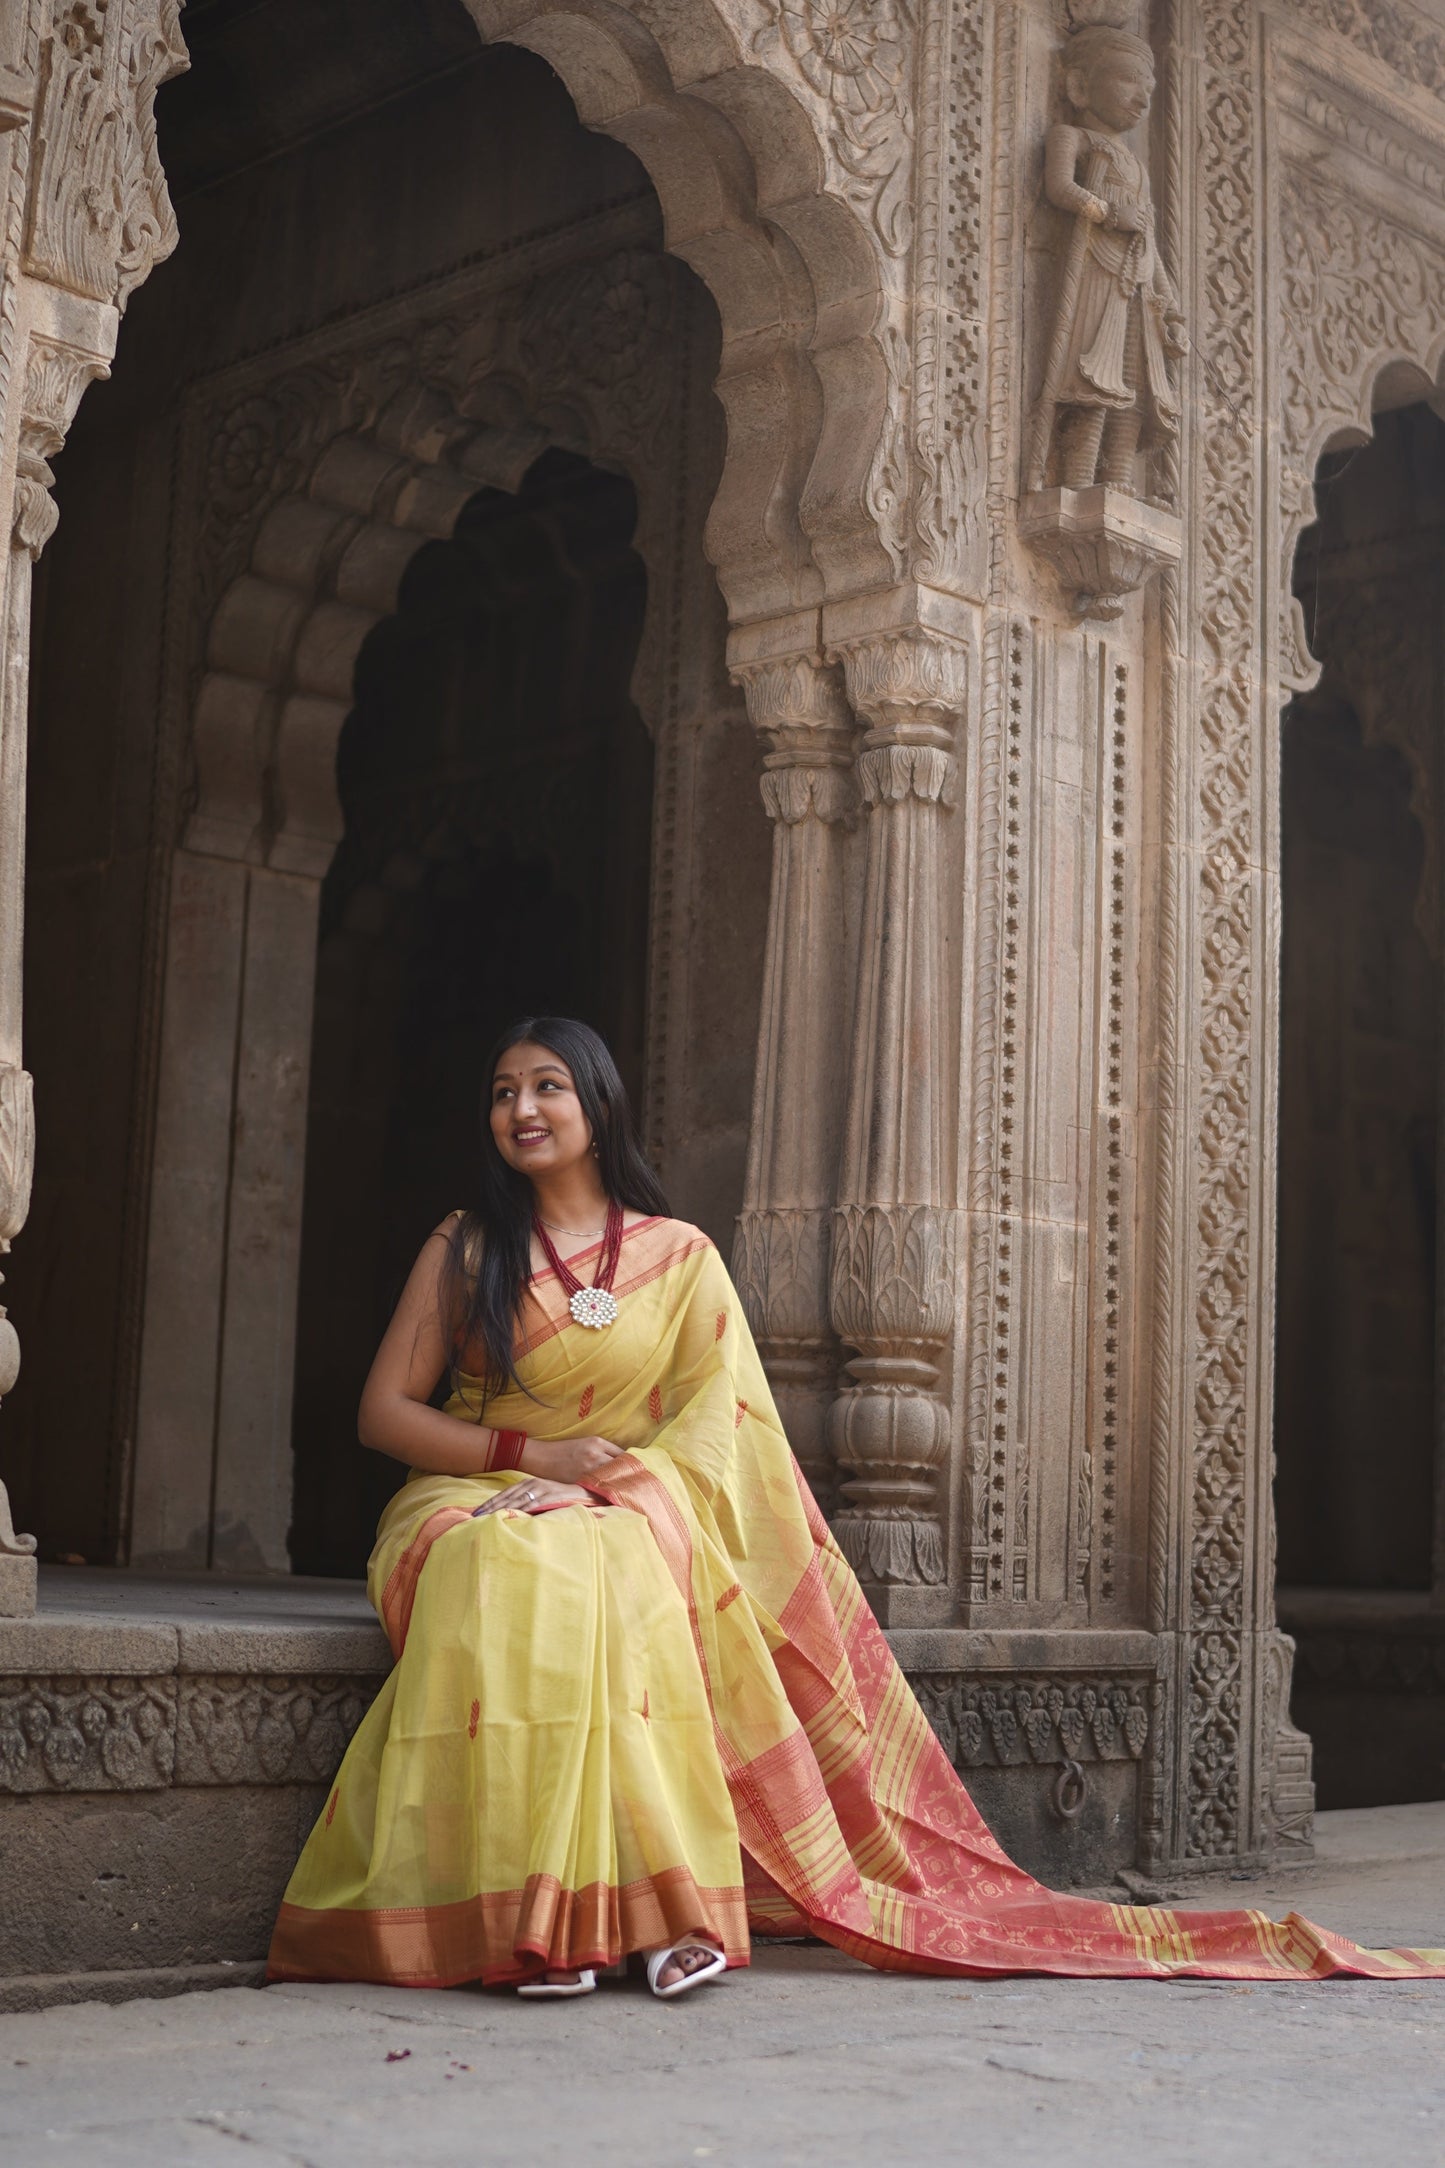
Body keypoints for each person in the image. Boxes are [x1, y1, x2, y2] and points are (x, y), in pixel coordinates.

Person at [268, 1017, 1444, 1998]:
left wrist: (605, 1481)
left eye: (547, 1086)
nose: (521, 1109)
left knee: (612, 1562)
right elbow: (385, 1411)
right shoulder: (466, 1244)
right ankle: (533, 1921)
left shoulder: (677, 1257)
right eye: (502, 1092)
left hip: (619, 1502)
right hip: (469, 1492)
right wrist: (533, 1455)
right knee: (512, 1569)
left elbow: (715, 1426)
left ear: (600, 1105)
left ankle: (657, 1907)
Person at [1027, 20, 1187, 496]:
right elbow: (1060, 189)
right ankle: (1076, 480)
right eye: (1128, 79)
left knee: (1137, 388)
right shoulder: (1073, 139)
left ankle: (1117, 480)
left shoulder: (1135, 165)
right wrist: (1107, 211)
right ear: (1078, 85)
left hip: (1135, 282)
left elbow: (1152, 240)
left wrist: (1171, 306)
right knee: (1093, 381)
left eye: (1149, 87)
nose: (1141, 98)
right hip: (1096, 273)